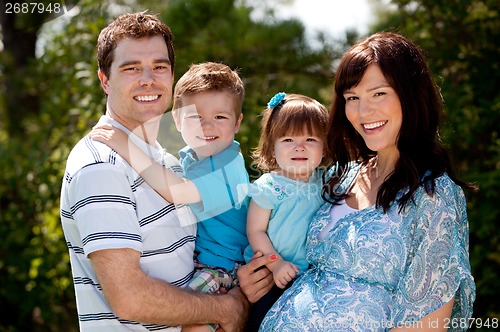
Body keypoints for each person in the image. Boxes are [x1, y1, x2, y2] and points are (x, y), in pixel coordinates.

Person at [259, 32, 476, 331]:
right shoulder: (340, 176)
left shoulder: (433, 193)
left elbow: (426, 323)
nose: (363, 112)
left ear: (410, 94)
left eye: (379, 94)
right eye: (352, 98)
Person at [60, 12, 251, 331]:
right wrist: (225, 309)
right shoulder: (101, 165)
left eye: (159, 67)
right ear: (105, 80)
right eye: (131, 67)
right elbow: (131, 298)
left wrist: (242, 291)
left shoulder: (171, 162)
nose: (148, 79)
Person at [241, 93, 329, 331]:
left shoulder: (324, 181)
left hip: (309, 277)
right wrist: (276, 263)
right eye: (288, 139)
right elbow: (256, 231)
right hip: (271, 277)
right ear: (272, 145)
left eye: (311, 139)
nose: (299, 147)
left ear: (324, 146)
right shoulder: (268, 187)